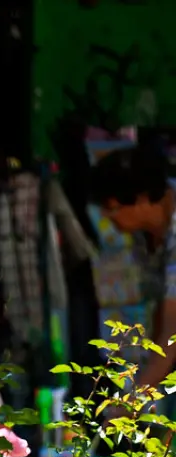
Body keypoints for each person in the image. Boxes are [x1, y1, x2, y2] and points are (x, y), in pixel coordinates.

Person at [88, 144, 176, 409]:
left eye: (112, 207)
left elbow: (172, 334)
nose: (106, 216)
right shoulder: (146, 233)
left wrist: (130, 403)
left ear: (141, 199)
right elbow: (162, 309)